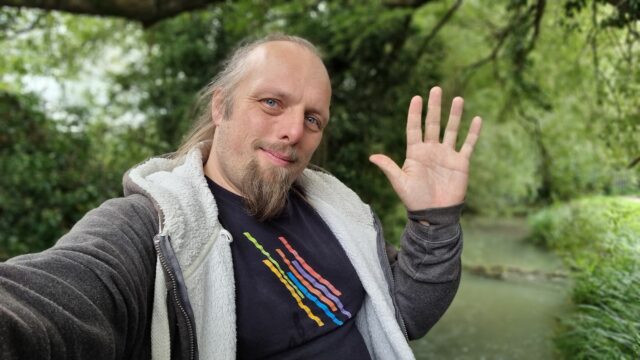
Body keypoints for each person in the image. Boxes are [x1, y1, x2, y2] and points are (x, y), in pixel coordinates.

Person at [0, 34, 482, 360]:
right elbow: (49, 302)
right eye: (272, 103)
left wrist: (433, 220)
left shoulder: (338, 213)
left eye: (313, 119)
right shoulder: (151, 229)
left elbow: (406, 314)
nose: (294, 130)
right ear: (220, 105)